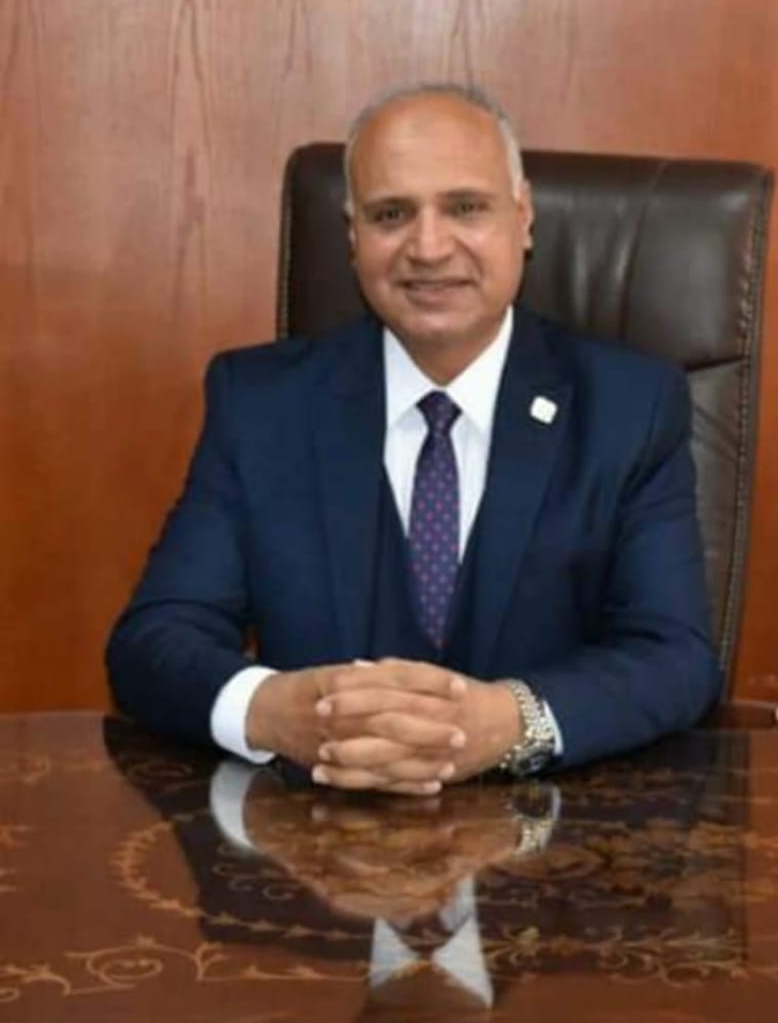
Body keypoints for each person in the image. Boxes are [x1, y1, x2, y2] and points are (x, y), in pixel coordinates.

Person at [106, 82, 719, 793]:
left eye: (466, 207)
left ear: (523, 217)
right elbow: (154, 642)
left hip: (550, 843)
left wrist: (507, 722)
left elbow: (675, 657)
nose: (428, 248)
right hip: (312, 840)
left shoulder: (630, 407)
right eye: (391, 214)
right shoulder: (261, 405)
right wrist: (277, 713)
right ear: (352, 236)